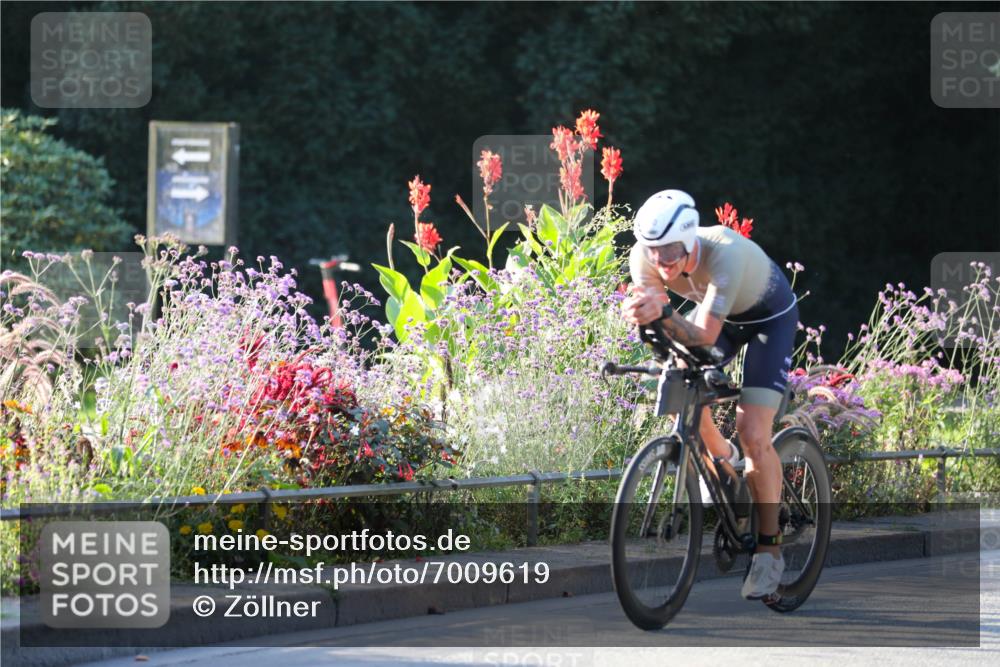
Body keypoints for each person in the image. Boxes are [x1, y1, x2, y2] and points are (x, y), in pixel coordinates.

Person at [620, 189, 799, 600]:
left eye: (670, 251)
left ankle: (769, 552)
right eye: (652, 251)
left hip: (767, 321)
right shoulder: (643, 258)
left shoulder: (724, 253)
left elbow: (702, 335)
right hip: (717, 317)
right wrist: (644, 318)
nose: (661, 262)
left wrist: (663, 313)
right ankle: (724, 464)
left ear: (689, 240)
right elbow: (663, 325)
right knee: (677, 390)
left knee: (753, 432)